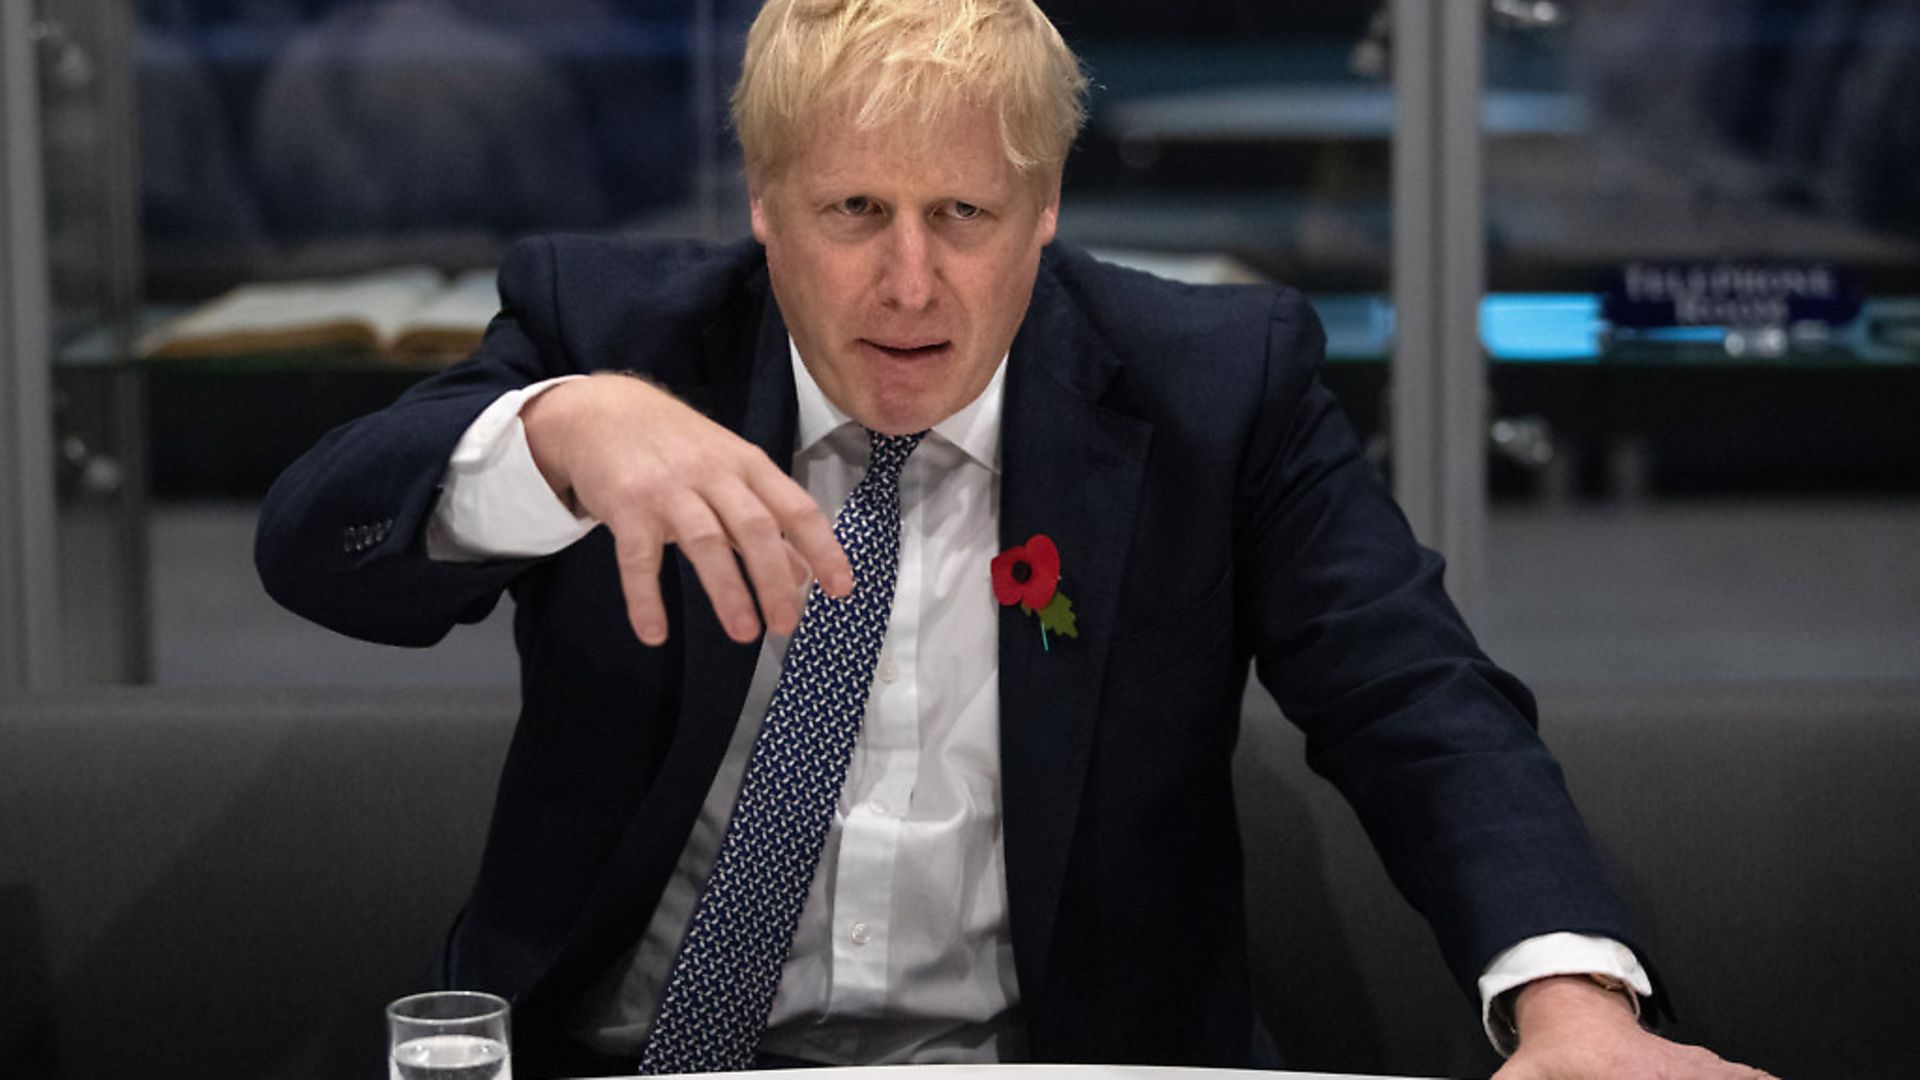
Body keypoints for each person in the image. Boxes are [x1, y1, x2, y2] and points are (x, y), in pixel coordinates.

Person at [256, 1, 1772, 1077]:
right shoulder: (613, 336)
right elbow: (315, 548)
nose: (910, 283)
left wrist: (1573, 1009)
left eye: (965, 215)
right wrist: (552, 433)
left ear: (1044, 211)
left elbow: (1416, 702)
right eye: (853, 208)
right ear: (764, 208)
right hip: (633, 1059)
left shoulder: (1212, 383)